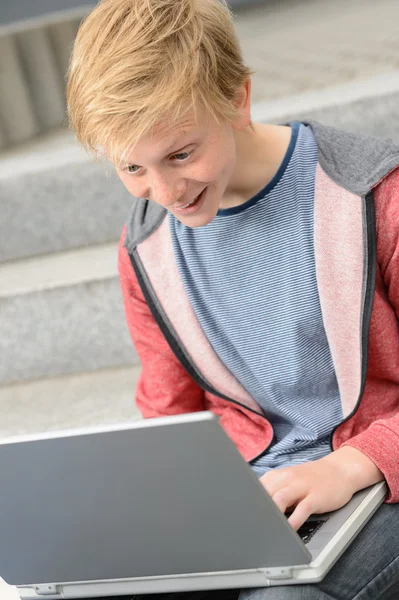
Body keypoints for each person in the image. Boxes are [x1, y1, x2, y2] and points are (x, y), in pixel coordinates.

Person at [66, 0, 399, 598]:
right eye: (132, 167)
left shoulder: (375, 195)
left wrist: (350, 466)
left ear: (237, 100)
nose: (164, 191)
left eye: (181, 154)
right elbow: (172, 420)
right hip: (257, 501)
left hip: (379, 481)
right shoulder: (147, 250)